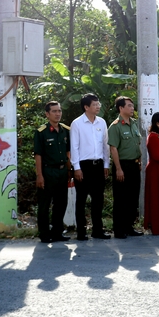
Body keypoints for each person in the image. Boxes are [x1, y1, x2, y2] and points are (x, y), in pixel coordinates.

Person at [70, 93, 110, 240]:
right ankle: (81, 231)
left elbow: (105, 145)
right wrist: (76, 168)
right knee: (81, 200)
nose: (98, 106)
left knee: (98, 199)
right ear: (86, 107)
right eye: (94, 104)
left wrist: (106, 164)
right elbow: (74, 147)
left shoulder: (102, 122)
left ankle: (97, 230)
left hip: (98, 165)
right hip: (83, 166)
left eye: (98, 103)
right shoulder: (77, 123)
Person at [33, 101, 72, 244]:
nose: (58, 114)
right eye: (54, 111)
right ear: (47, 114)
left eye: (59, 111)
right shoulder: (41, 132)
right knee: (44, 204)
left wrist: (69, 170)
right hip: (47, 171)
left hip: (62, 172)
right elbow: (38, 155)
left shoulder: (65, 130)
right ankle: (44, 234)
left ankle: (57, 232)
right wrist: (39, 175)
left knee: (61, 203)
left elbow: (68, 152)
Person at [108, 96, 143, 239]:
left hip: (135, 165)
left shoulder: (134, 124)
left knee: (133, 198)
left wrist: (139, 159)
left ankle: (129, 226)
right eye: (129, 105)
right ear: (121, 108)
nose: (132, 108)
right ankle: (119, 229)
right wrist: (118, 169)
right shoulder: (115, 126)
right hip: (122, 165)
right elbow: (114, 149)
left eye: (132, 105)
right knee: (121, 199)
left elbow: (137, 144)